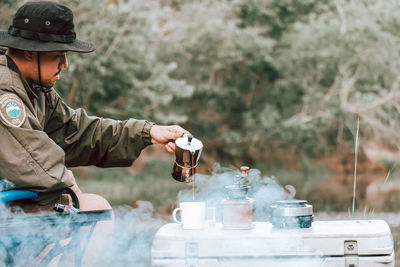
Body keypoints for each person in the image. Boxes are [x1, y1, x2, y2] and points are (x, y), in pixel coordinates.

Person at [0, 1, 187, 264]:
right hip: (7, 210)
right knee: (87, 212)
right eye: (57, 55)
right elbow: (31, 160)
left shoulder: (35, 89)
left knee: (94, 208)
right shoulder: (5, 97)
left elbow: (78, 131)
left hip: (13, 204)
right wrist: (69, 188)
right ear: (30, 53)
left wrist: (148, 133)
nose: (64, 64)